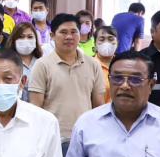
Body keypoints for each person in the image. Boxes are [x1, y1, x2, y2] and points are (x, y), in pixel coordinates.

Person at [28, 14, 107, 148]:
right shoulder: (42, 65)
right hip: (53, 138)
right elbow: (36, 108)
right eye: (63, 32)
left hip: (85, 137)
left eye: (74, 32)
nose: (69, 37)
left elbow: (98, 106)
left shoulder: (93, 64)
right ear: (52, 36)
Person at [7, 21, 42, 99]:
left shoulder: (42, 62)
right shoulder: (7, 64)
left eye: (30, 37)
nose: (26, 40)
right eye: (21, 37)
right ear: (14, 40)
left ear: (36, 40)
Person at [93, 25, 118, 103]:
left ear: (117, 42)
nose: (106, 43)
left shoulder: (123, 65)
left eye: (111, 39)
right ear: (95, 44)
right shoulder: (89, 65)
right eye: (102, 39)